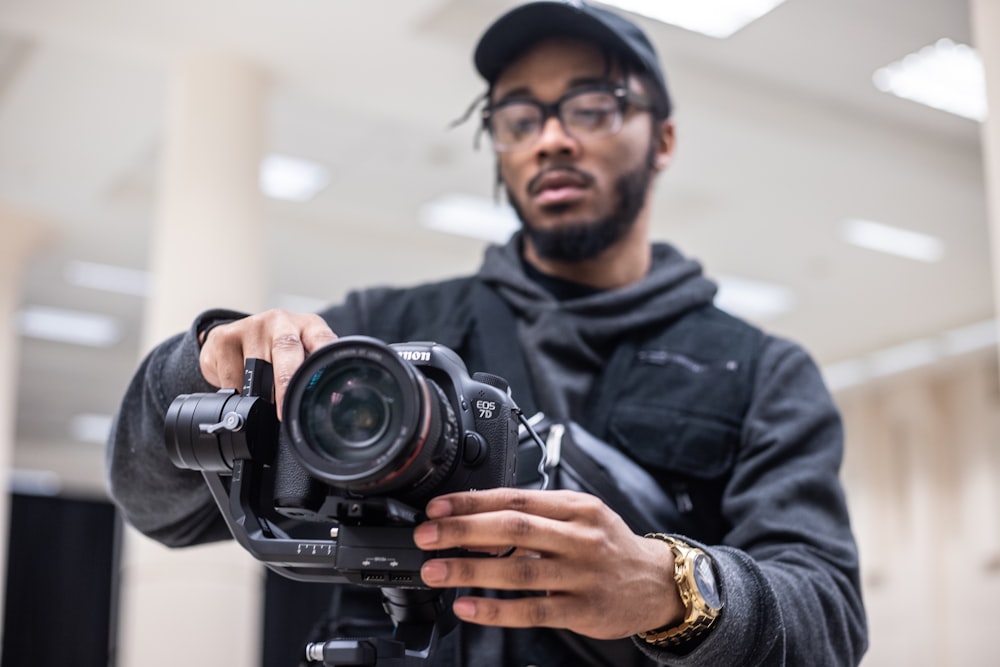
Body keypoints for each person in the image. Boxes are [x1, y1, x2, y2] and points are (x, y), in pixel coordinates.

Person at [107, 1, 868, 665]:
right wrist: (202, 366)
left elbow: (829, 620)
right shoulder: (380, 333)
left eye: (593, 106)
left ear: (662, 138)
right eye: (518, 116)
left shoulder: (763, 372)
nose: (551, 139)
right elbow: (159, 507)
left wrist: (671, 588)